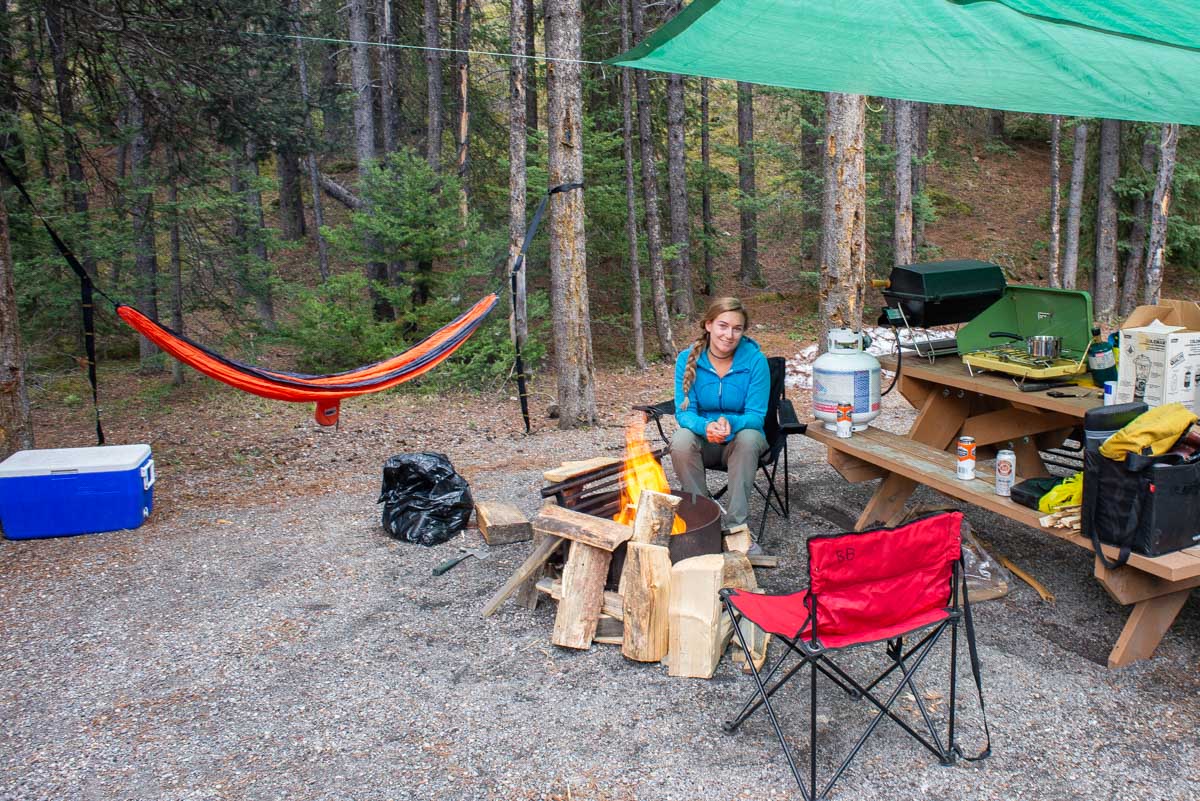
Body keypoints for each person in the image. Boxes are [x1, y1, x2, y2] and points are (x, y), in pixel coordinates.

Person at [670, 297, 770, 552]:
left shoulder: (756, 361)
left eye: (737, 328)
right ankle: (704, 522)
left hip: (740, 440)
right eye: (723, 326)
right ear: (708, 325)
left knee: (748, 438)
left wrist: (731, 422)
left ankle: (737, 529)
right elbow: (685, 413)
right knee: (681, 440)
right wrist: (706, 428)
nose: (729, 335)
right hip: (705, 439)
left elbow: (757, 415)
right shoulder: (687, 359)